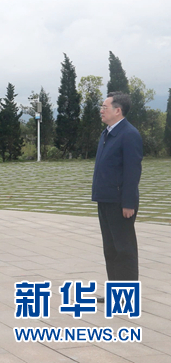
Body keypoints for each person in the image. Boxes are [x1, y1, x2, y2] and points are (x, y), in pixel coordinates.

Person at [92, 92, 142, 284]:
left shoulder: (129, 134)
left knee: (124, 249)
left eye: (105, 107)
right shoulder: (107, 133)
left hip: (120, 202)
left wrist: (128, 202)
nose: (101, 111)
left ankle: (126, 293)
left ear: (118, 110)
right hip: (105, 199)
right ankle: (114, 288)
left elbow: (132, 171)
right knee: (110, 248)